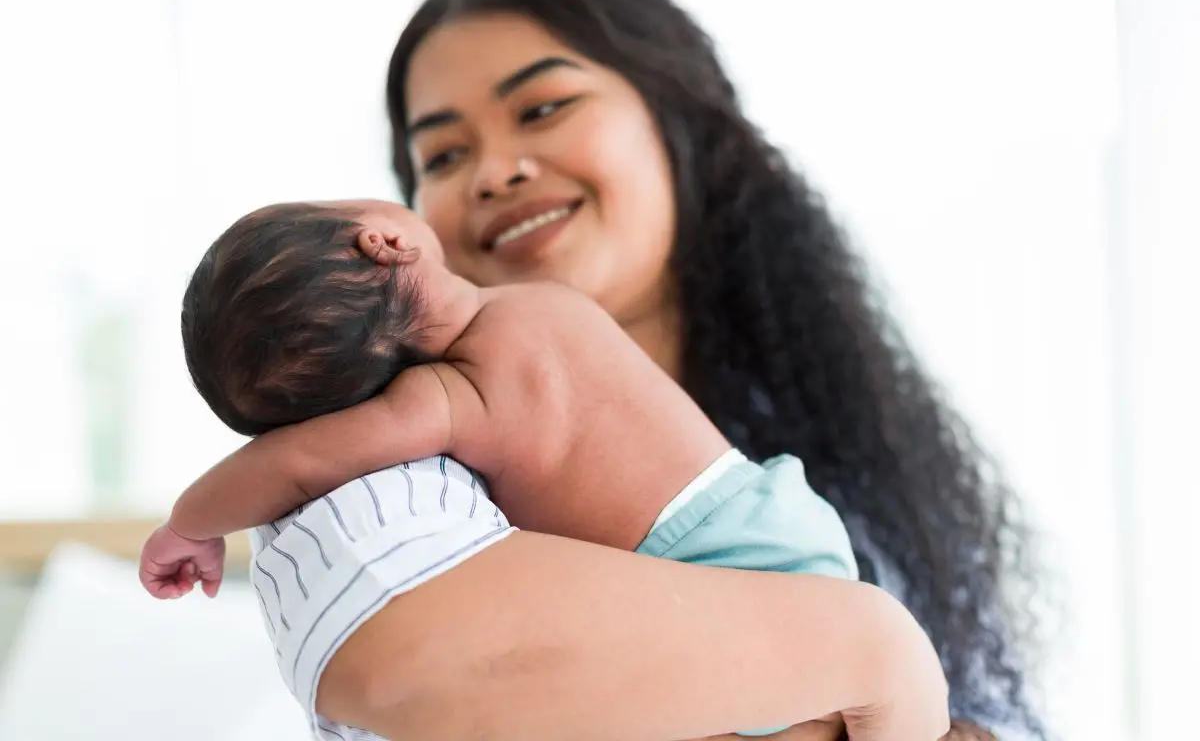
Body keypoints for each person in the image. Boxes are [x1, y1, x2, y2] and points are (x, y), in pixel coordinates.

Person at [141, 198, 949, 740]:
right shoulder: (540, 303)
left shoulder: (451, 396)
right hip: (760, 511)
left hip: (704, 560)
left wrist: (191, 522)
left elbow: (297, 463)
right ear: (383, 241)